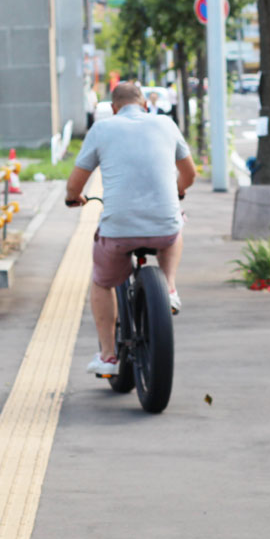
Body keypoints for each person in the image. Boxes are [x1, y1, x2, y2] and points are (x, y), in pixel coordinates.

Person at [66, 82, 196, 376]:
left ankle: (108, 356)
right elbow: (189, 174)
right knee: (175, 226)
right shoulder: (166, 123)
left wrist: (74, 198)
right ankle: (170, 287)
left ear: (114, 109)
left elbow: (75, 184)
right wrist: (177, 191)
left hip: (118, 231)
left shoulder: (102, 129)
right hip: (163, 226)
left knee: (101, 282)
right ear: (145, 105)